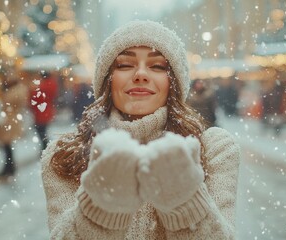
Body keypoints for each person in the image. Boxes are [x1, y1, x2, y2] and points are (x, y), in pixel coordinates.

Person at [41, 20, 240, 239]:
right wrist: (102, 208)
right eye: (125, 65)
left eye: (157, 66)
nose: (141, 74)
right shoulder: (63, 156)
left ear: (173, 82)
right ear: (108, 80)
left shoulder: (215, 149)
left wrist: (186, 203)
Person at [0, 75, 28, 177]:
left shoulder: (17, 90)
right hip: (8, 120)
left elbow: (8, 102)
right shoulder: (15, 89)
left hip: (9, 121)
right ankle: (9, 166)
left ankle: (9, 167)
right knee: (7, 145)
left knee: (7, 145)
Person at [29, 71, 58, 151]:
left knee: (41, 131)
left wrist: (32, 90)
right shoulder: (51, 84)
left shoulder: (43, 86)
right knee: (43, 131)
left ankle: (46, 147)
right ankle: (46, 147)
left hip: (41, 112)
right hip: (46, 110)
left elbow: (35, 98)